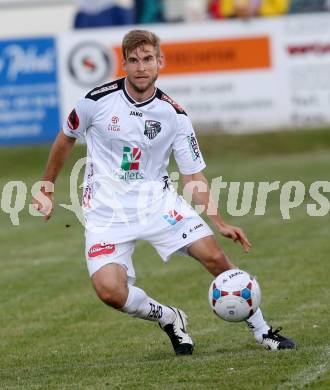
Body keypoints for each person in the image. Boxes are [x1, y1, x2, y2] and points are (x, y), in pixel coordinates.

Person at [33, 29, 295, 355]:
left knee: (214, 255)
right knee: (110, 291)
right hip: (106, 213)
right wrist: (46, 186)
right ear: (124, 64)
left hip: (158, 204)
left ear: (160, 62)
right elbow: (65, 137)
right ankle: (169, 317)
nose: (141, 67)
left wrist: (220, 221)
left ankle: (263, 331)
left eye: (148, 59)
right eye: (133, 60)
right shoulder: (95, 102)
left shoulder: (175, 115)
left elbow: (193, 175)